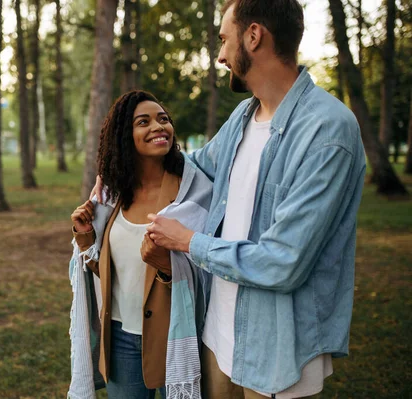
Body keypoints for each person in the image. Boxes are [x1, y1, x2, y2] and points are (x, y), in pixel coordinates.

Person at [95, 1, 366, 398]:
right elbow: (192, 167)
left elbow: (283, 261)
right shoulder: (243, 117)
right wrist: (115, 175)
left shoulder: (327, 131)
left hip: (276, 352)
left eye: (224, 39)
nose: (221, 55)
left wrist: (187, 241)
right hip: (217, 338)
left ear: (253, 37)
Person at [68, 90, 213, 399]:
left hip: (174, 337)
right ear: (125, 135)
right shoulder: (113, 195)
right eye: (143, 122)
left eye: (163, 119)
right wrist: (85, 237)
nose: (158, 127)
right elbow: (109, 273)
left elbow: (212, 269)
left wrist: (167, 267)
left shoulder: (193, 192)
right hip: (120, 339)